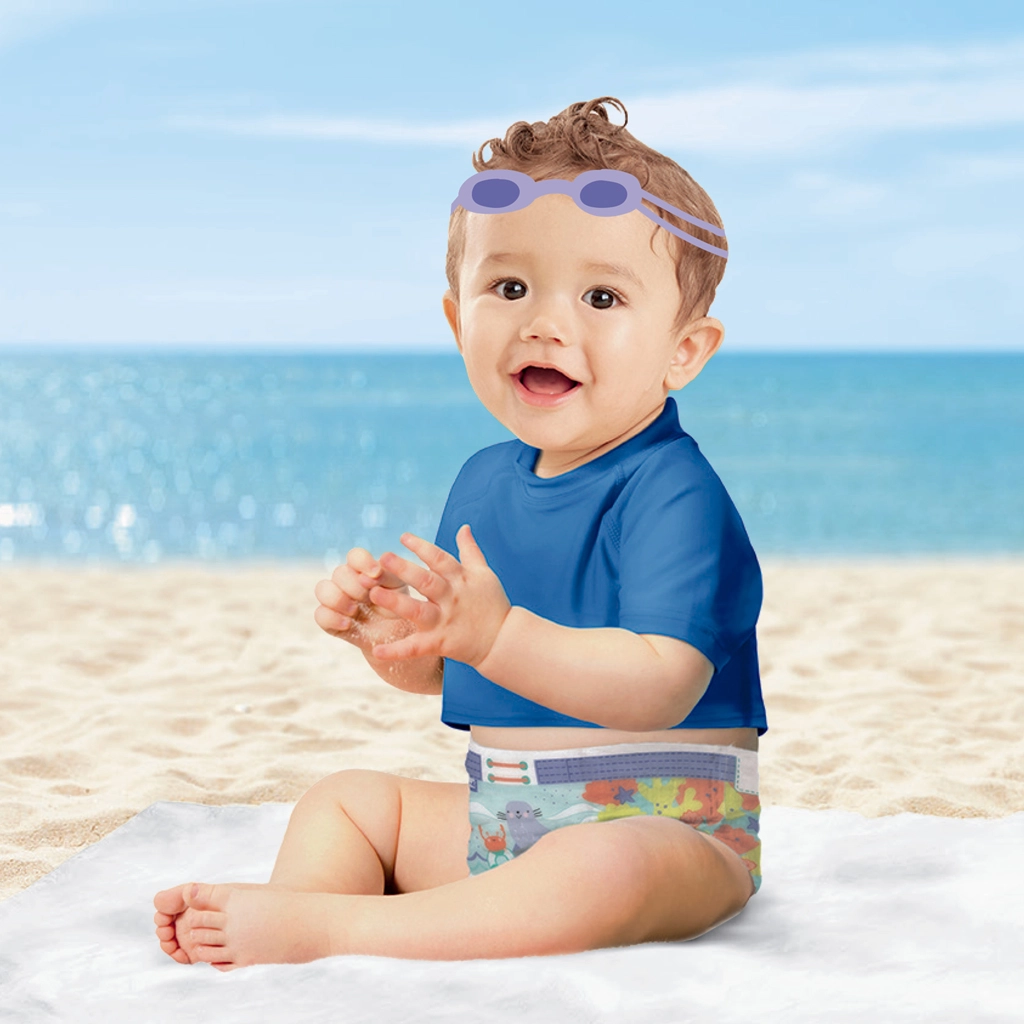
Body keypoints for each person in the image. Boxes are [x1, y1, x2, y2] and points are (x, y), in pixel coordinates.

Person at [153, 95, 767, 969]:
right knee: (349, 800)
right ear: (456, 322)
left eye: (601, 296)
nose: (545, 323)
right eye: (509, 288)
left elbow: (662, 686)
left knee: (602, 867)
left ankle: (336, 932)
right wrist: (402, 645)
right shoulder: (482, 481)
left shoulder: (674, 489)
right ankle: (299, 908)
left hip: (671, 828)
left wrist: (498, 634)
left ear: (684, 351)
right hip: (500, 818)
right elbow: (457, 670)